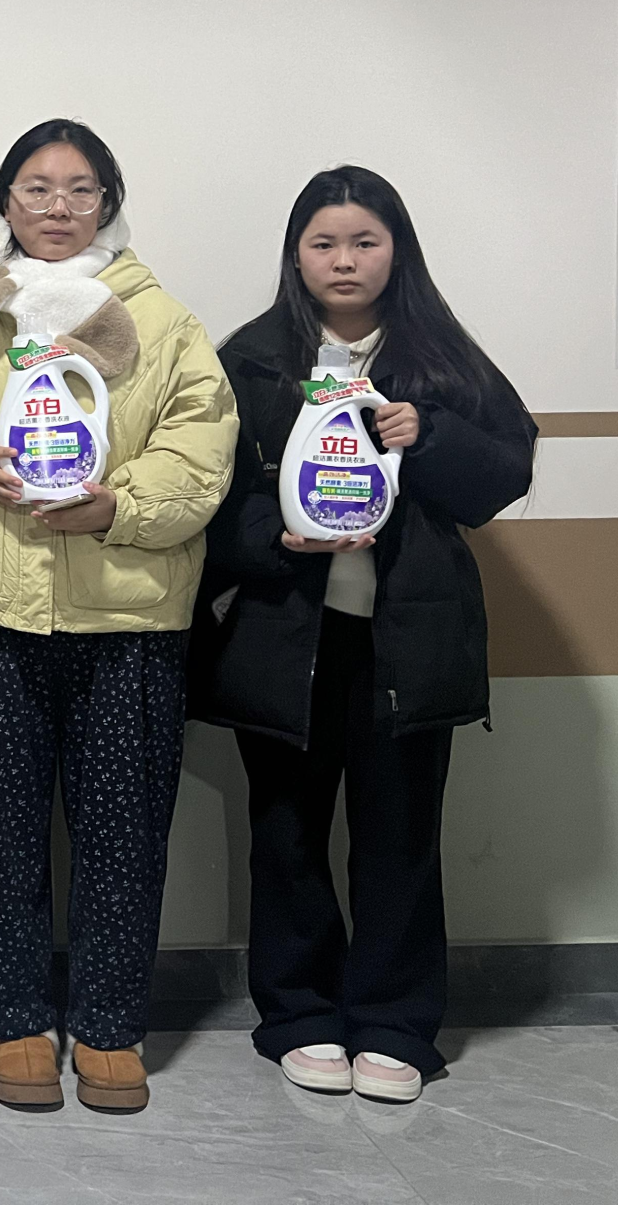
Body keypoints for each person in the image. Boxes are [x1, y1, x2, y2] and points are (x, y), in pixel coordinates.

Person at [190, 166, 535, 1103]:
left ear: (397, 251)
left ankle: (394, 1022)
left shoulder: (439, 358)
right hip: (286, 640)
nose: (344, 261)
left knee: (400, 836)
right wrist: (279, 539)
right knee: (287, 835)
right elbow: (208, 506)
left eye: (364, 242)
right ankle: (298, 1013)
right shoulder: (252, 360)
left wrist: (431, 435)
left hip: (407, 645)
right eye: (324, 243)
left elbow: (505, 475)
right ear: (296, 255)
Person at [0, 119, 237, 1115]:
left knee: (124, 838)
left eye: (80, 189)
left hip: (129, 621)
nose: (56, 208)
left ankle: (108, 1026)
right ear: (3, 203)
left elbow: (200, 453)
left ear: (108, 203)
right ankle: (12, 1020)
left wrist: (118, 507)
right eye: (35, 188)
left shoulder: (165, 324)